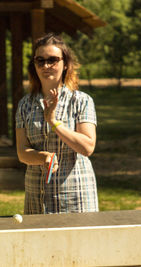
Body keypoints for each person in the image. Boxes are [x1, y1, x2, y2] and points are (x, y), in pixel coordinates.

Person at [15, 33, 98, 214]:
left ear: (65, 63)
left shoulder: (81, 101)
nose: (46, 66)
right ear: (34, 65)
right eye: (40, 60)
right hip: (37, 195)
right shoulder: (25, 104)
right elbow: (22, 152)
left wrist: (54, 122)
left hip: (76, 196)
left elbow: (87, 147)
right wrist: (41, 157)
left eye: (53, 60)